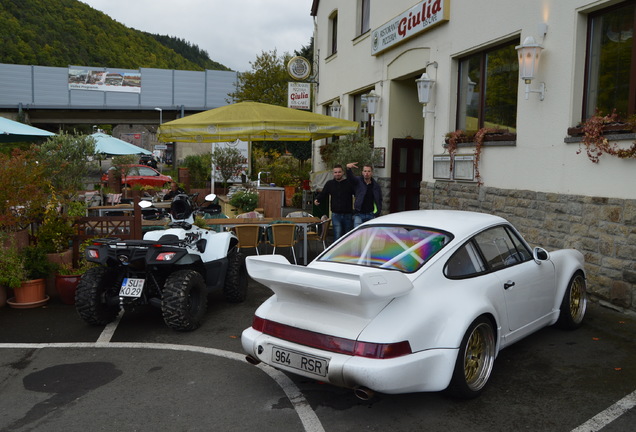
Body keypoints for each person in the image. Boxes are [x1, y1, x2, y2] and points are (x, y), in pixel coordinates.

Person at [314, 164, 354, 240]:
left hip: (348, 214)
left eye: (339, 172)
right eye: (335, 172)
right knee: (337, 236)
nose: (337, 174)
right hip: (336, 215)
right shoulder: (330, 184)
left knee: (348, 236)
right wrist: (317, 199)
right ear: (333, 174)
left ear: (342, 173)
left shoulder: (349, 183)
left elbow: (357, 193)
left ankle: (347, 252)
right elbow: (323, 193)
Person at [346, 162, 382, 228]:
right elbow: (351, 179)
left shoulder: (375, 185)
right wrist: (348, 169)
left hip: (371, 214)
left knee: (369, 234)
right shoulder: (358, 181)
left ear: (372, 173)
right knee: (357, 234)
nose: (366, 173)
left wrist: (377, 213)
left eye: (369, 171)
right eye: (365, 171)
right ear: (362, 172)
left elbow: (379, 199)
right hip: (359, 214)